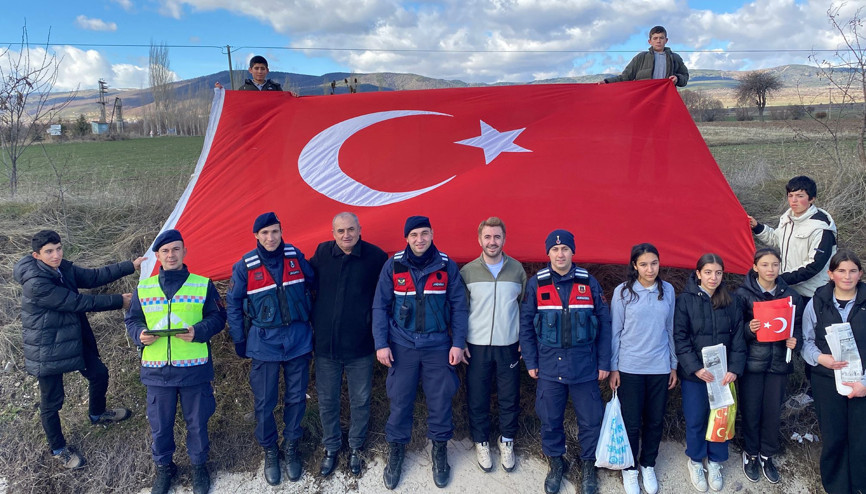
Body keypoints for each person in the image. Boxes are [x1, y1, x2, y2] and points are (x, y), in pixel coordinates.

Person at [13, 230, 142, 469]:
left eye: (59, 248)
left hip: (71, 337)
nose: (56, 255)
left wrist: (130, 266)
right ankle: (58, 448)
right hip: (46, 346)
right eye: (49, 252)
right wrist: (118, 301)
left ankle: (97, 414)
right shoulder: (36, 283)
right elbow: (78, 302)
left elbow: (92, 277)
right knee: (52, 402)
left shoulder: (62, 268)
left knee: (99, 374)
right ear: (36, 255)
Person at [124, 230, 226, 494]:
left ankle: (199, 468)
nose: (171, 255)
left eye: (176, 249)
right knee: (160, 427)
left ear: (184, 252)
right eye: (166, 251)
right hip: (158, 373)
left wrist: (198, 331)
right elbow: (133, 320)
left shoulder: (202, 284)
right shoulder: (144, 288)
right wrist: (139, 334)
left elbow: (217, 318)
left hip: (194, 371)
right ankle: (164, 469)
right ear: (157, 256)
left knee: (197, 423)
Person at [372, 215, 469, 490]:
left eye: (424, 233)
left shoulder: (446, 266)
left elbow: (459, 306)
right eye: (414, 235)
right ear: (406, 238)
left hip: (438, 345)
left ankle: (439, 451)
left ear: (432, 234)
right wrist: (381, 343)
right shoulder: (393, 265)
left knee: (440, 400)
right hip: (402, 345)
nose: (419, 239)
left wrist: (458, 343)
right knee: (400, 400)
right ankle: (396, 452)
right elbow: (380, 306)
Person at [519, 229, 611, 494]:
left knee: (591, 420)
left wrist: (604, 362)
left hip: (585, 366)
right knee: (550, 419)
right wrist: (531, 361)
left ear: (573, 252)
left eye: (565, 249)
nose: (560, 254)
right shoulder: (536, 283)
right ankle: (557, 462)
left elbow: (604, 323)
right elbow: (526, 325)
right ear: (548, 253)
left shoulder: (588, 282)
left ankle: (588, 465)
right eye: (555, 250)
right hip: (549, 366)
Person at [226, 212, 315, 485]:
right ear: (256, 236)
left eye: (275, 231)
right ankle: (270, 450)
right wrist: (240, 339)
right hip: (264, 342)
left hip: (298, 340)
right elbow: (233, 303)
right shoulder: (245, 266)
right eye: (265, 233)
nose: (270, 237)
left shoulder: (295, 256)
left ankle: (291, 446)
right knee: (265, 403)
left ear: (281, 231)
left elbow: (315, 284)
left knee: (297, 398)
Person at [309, 212, 387, 477]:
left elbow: (385, 298)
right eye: (340, 231)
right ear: (333, 233)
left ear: (360, 229)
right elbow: (307, 286)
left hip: (361, 346)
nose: (346, 235)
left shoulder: (376, 258)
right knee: (328, 400)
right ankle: (331, 446)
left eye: (351, 230)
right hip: (326, 348)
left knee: (361, 400)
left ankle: (356, 447)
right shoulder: (321, 254)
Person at [459, 217, 526, 473]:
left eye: (497, 237)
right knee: (478, 397)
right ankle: (482, 441)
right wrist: (461, 340)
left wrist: (524, 339)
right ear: (479, 240)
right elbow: (460, 310)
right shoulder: (467, 272)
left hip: (508, 344)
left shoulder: (517, 270)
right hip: (476, 346)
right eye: (487, 237)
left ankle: (507, 440)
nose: (492, 241)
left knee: (509, 397)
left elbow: (525, 308)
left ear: (504, 239)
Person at [674, 253, 746, 493]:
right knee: (695, 418)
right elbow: (680, 337)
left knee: (721, 418)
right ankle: (695, 460)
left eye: (718, 273)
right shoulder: (684, 300)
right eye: (708, 272)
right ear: (698, 274)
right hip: (696, 374)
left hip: (723, 375)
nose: (713, 277)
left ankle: (715, 461)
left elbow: (738, 337)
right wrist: (695, 367)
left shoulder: (731, 300)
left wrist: (734, 368)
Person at [609, 243, 677, 494]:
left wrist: (673, 364)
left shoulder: (667, 290)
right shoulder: (624, 292)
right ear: (634, 266)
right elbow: (615, 331)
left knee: (655, 420)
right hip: (630, 367)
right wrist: (614, 367)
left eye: (654, 263)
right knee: (631, 422)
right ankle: (630, 468)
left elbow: (670, 329)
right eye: (644, 264)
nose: (650, 269)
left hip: (659, 366)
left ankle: (648, 464)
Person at [734, 247, 803, 485]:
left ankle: (767, 455)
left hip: (778, 365)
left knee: (772, 412)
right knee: (751, 410)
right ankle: (750, 453)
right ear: (755, 267)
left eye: (775, 264)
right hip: (752, 364)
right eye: (765, 264)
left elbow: (799, 328)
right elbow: (734, 332)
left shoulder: (791, 296)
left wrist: (796, 341)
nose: (770, 269)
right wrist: (748, 330)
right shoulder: (742, 294)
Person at [801, 249, 866, 494]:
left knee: (861, 438)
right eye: (841, 271)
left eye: (852, 271)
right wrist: (820, 358)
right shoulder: (817, 301)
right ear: (831, 274)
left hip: (861, 383)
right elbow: (806, 340)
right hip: (827, 381)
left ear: (860, 274)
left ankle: (860, 486)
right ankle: (837, 488)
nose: (847, 276)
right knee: (834, 436)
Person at [748, 175, 837, 300]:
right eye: (790, 195)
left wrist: (780, 279)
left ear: (812, 199)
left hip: (812, 294)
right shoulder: (787, 218)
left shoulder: (822, 228)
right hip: (788, 291)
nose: (794, 200)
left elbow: (814, 266)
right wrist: (757, 227)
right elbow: (776, 240)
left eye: (800, 196)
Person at [600, 26, 689, 87]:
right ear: (649, 41)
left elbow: (685, 76)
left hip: (666, 99)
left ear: (666, 40)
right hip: (645, 99)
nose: (658, 41)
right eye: (655, 38)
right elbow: (626, 77)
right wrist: (607, 82)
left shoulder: (675, 58)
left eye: (661, 38)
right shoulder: (641, 57)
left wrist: (677, 79)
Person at [214, 55, 282, 91]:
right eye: (256, 68)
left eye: (262, 68)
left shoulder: (276, 88)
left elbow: (284, 105)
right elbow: (234, 105)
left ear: (267, 70)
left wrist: (292, 97)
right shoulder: (243, 89)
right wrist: (221, 93)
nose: (259, 71)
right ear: (250, 70)